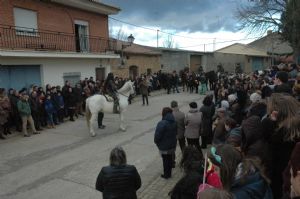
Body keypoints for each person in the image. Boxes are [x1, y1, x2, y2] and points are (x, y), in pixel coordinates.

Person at [209, 144, 273, 199]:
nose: (214, 172)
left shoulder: (240, 193)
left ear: (226, 169)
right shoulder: (250, 173)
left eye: (216, 169)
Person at [154, 107, 177, 179]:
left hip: (164, 146)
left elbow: (157, 135)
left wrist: (156, 141)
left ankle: (166, 175)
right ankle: (169, 173)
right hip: (172, 144)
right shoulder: (174, 122)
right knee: (170, 158)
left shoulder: (162, 123)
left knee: (165, 160)